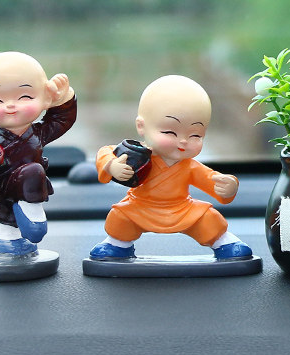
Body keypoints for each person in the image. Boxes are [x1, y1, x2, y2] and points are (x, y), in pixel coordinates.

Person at [89, 75, 252, 261]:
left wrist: (228, 186)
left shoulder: (190, 166)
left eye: (195, 135)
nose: (183, 141)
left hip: (182, 208)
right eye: (169, 132)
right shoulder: (138, 154)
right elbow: (106, 152)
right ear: (141, 127)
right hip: (139, 206)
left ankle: (224, 242)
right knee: (120, 216)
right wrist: (111, 165)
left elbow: (211, 179)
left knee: (209, 218)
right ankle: (118, 244)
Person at [0, 51, 77, 256]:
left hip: (33, 185)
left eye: (25, 97)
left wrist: (64, 99)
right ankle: (17, 227)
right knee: (30, 175)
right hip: (5, 190)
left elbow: (61, 120)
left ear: (45, 100)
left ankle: (22, 219)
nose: (11, 105)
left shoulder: (37, 134)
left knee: (32, 173)